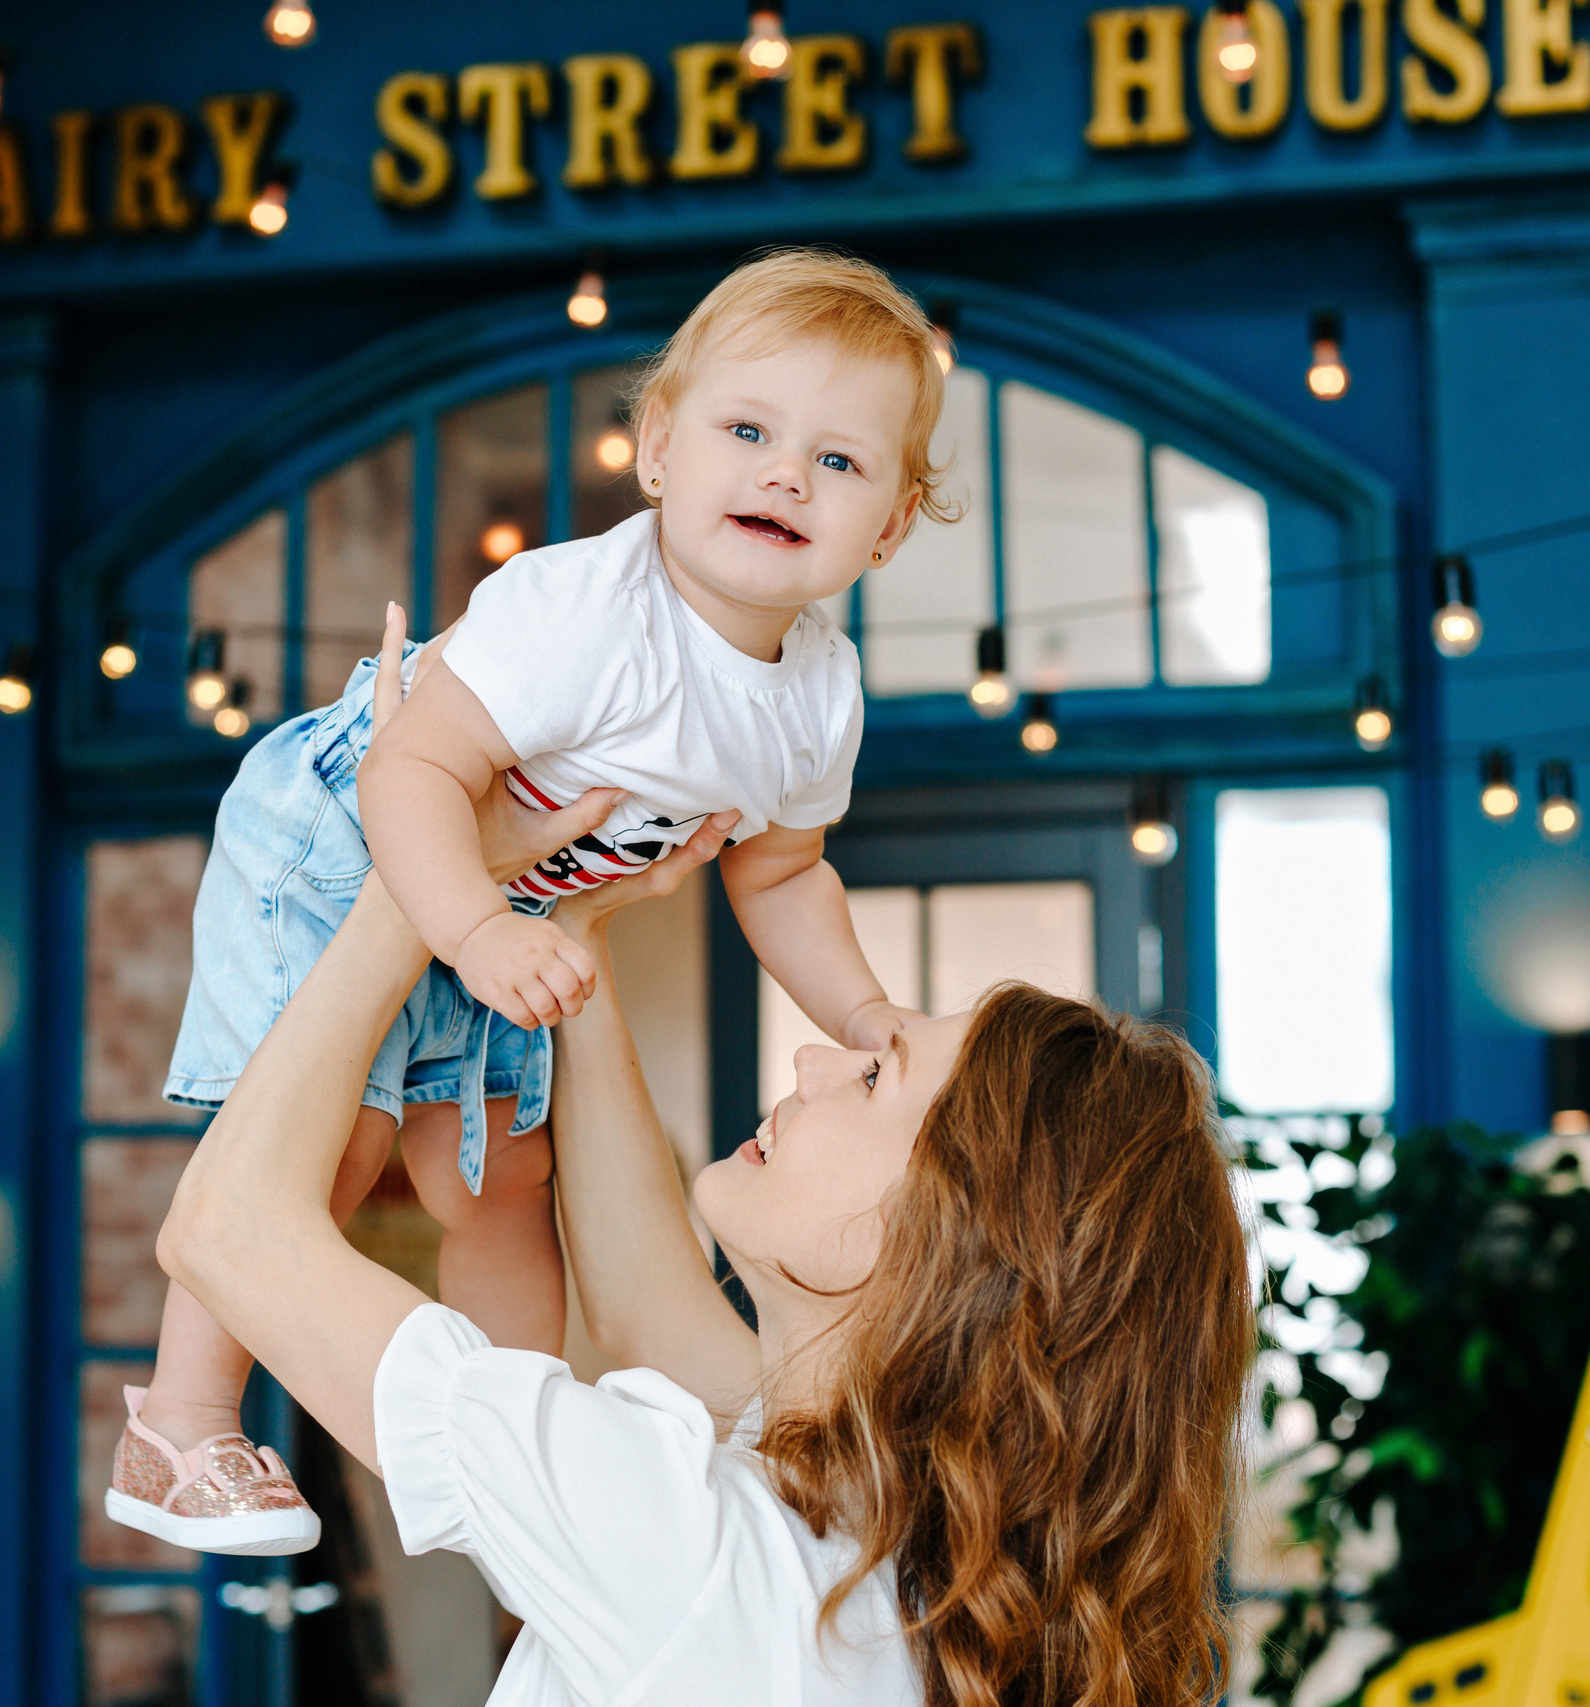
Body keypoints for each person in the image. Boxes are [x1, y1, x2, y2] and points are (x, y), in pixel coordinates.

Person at [158, 642, 1258, 1705]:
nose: (817, 1058)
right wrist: (571, 925)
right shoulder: (874, 1547)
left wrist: (420, 857)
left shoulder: (703, 1562)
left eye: (876, 1079)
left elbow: (225, 1228)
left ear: (949, 1232)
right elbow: (652, 1315)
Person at [112, 248, 948, 1555]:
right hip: (355, 830)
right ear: (659, 448)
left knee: (500, 1170)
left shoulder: (820, 692)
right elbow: (414, 765)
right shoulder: (584, 613)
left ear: (892, 524)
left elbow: (780, 868)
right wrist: (477, 925)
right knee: (332, 1150)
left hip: (510, 893)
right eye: (747, 430)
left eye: (841, 462)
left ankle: (520, 1437)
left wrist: (862, 1010)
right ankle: (181, 1420)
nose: (787, 472)